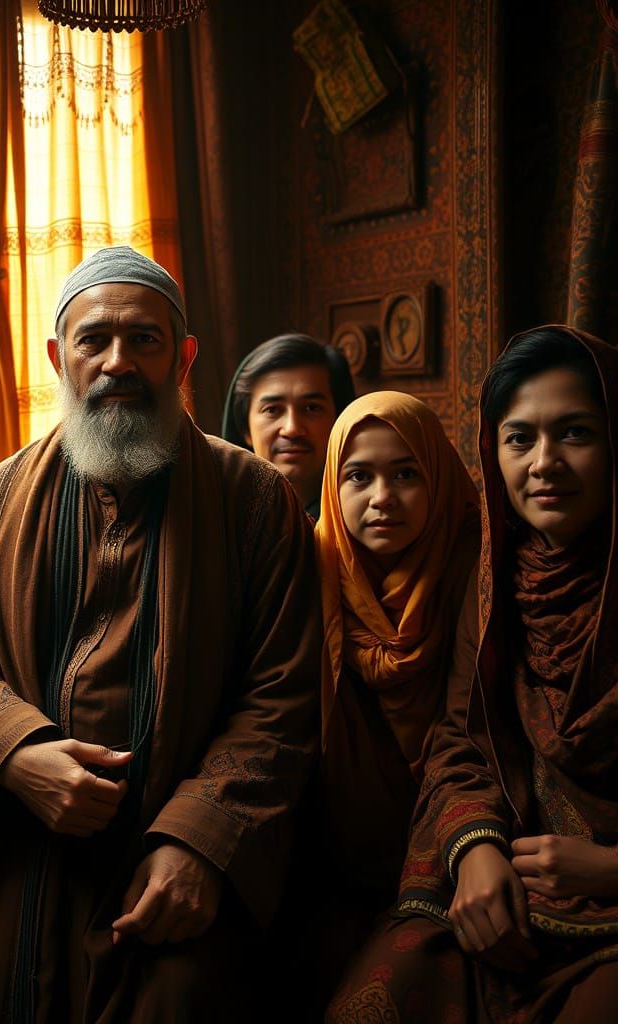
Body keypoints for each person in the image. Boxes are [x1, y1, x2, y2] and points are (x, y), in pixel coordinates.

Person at [0, 246, 321, 1021]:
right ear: (57, 359)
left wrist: (200, 842)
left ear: (184, 357)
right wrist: (17, 757)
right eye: (94, 340)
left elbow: (283, 698)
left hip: (173, 868)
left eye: (143, 339)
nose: (117, 362)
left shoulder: (254, 502)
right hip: (25, 852)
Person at [328, 326, 618, 1023]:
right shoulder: (496, 578)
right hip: (504, 887)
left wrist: (610, 868)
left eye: (575, 433)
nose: (544, 463)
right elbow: (461, 737)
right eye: (520, 438)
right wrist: (474, 847)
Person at [307, 391, 479, 1007]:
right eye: (358, 476)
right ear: (333, 486)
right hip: (330, 862)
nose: (382, 497)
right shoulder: (306, 571)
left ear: (438, 477)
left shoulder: (476, 572)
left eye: (406, 474)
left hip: (457, 857)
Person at [221, 333, 356, 518]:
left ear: (339, 419)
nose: (292, 429)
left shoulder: (369, 522)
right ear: (245, 429)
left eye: (312, 408)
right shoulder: (217, 521)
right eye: (272, 410)